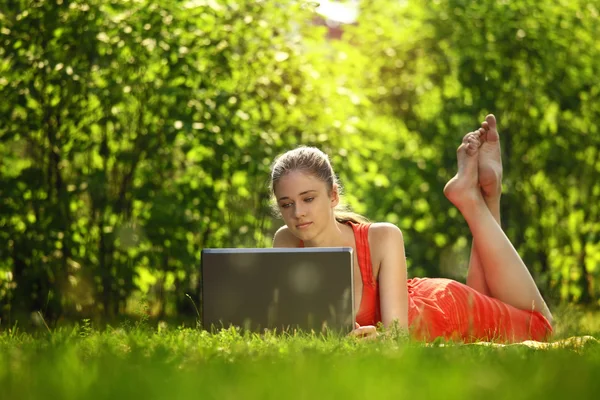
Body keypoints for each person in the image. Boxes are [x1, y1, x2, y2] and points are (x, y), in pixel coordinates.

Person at [270, 114, 553, 342]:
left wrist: (374, 340)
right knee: (488, 295)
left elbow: (397, 338)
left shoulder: (381, 237)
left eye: (308, 198)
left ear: (333, 196)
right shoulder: (286, 242)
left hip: (444, 310)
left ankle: (474, 198)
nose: (298, 213)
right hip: (435, 314)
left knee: (541, 326)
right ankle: (487, 193)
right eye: (286, 204)